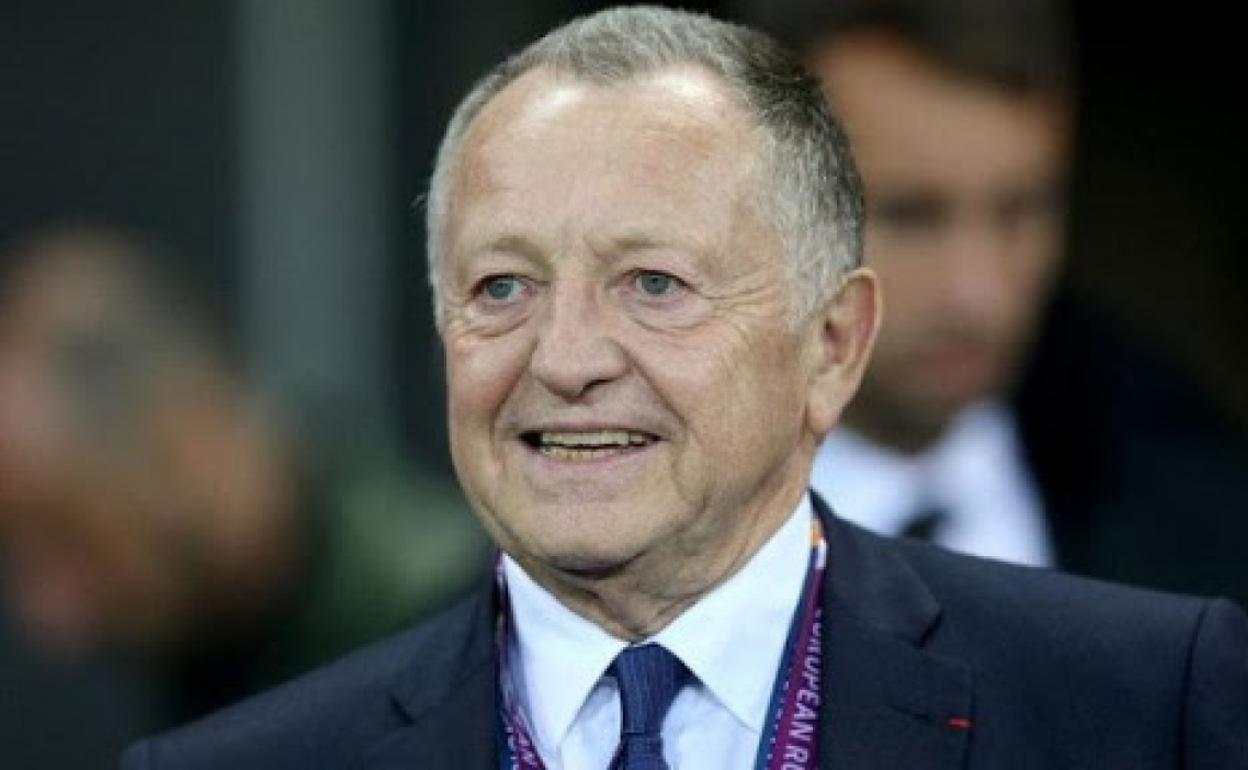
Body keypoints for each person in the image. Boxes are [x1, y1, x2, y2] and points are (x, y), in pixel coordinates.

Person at [120, 7, 1248, 769]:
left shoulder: (1148, 702)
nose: (566, 358)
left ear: (830, 345)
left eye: (653, 283)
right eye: (503, 286)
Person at [737, 0, 1248, 602]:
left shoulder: (1194, 498)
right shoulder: (649, 519)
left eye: (1021, 210)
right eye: (909, 216)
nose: (978, 295)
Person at [0, 225, 487, 765]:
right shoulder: (192, 658)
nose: (49, 615)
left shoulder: (464, 642)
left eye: (67, 536)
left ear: (184, 440)